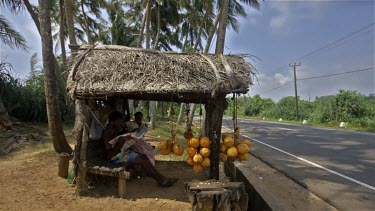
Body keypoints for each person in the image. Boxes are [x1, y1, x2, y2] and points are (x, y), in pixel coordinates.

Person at [102, 111, 178, 187]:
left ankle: (161, 178)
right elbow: (110, 150)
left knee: (144, 157)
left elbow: (116, 144)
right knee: (142, 160)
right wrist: (121, 141)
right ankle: (161, 180)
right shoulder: (107, 132)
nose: (120, 123)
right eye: (119, 121)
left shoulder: (113, 130)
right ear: (112, 121)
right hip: (115, 157)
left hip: (120, 154)